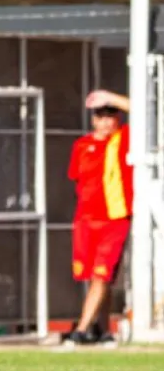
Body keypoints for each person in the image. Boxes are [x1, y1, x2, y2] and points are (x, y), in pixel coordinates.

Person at [64, 89, 132, 346]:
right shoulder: (82, 145)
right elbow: (76, 179)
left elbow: (143, 110)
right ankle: (103, 330)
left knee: (102, 275)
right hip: (85, 220)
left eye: (110, 116)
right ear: (93, 119)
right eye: (100, 116)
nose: (105, 122)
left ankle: (80, 330)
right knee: (95, 277)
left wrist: (110, 98)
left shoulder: (123, 139)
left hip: (114, 219)